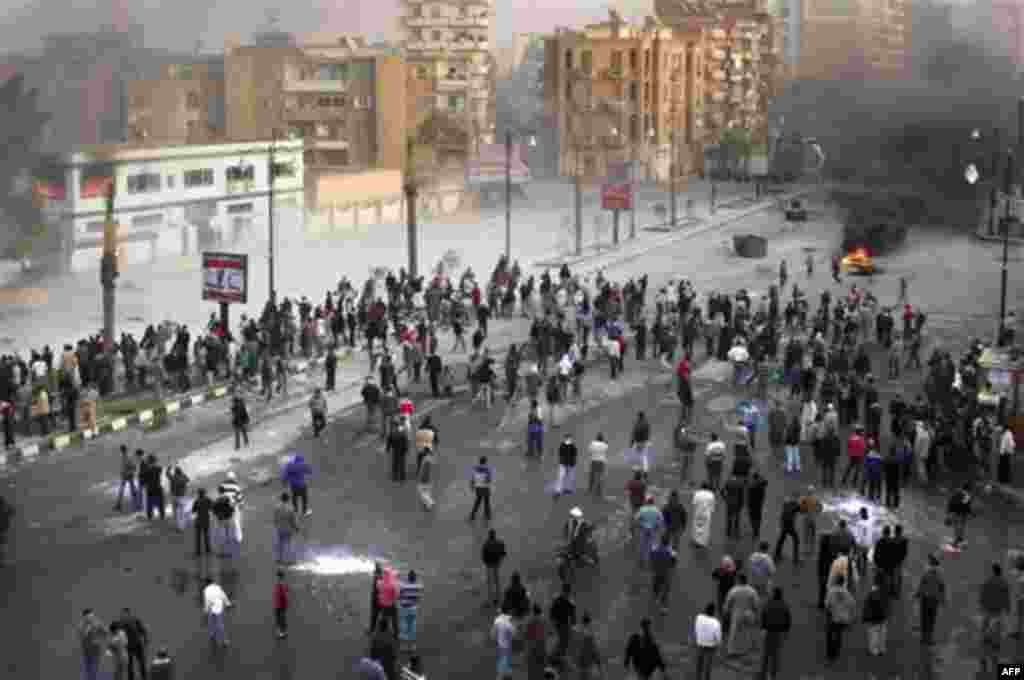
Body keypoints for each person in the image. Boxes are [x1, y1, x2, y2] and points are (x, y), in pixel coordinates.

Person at [724, 573, 761, 656]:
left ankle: (732, 650)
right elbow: (756, 604)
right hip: (748, 613)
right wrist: (757, 615)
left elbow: (728, 602)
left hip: (737, 613)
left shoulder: (734, 590)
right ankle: (745, 649)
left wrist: (726, 612)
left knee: (734, 632)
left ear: (739, 580)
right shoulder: (752, 590)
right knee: (746, 632)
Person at [759, 587, 792, 680]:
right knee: (776, 654)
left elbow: (763, 615)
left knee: (766, 654)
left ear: (774, 594)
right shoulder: (784, 605)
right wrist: (786, 631)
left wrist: (762, 627)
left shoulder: (768, 604)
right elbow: (788, 619)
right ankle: (773, 675)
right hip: (779, 632)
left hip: (768, 631)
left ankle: (763, 673)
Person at [915, 554, 947, 645]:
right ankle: (928, 638)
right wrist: (943, 600)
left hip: (925, 599)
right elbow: (942, 589)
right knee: (931, 620)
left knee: (924, 619)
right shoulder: (939, 575)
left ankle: (924, 638)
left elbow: (921, 585)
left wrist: (917, 595)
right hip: (933, 600)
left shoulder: (927, 574)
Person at [824, 575, 856, 663]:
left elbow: (827, 605)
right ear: (843, 582)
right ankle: (837, 650)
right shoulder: (846, 592)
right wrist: (851, 617)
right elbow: (852, 604)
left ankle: (830, 653)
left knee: (830, 635)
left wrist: (828, 613)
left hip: (833, 617)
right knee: (838, 634)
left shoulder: (831, 591)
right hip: (843, 618)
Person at [863, 574, 890, 656]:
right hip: (883, 616)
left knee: (873, 633)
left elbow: (867, 605)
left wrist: (865, 616)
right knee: (882, 633)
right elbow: (887, 604)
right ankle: (882, 649)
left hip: (873, 617)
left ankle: (873, 650)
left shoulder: (872, 592)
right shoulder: (885, 591)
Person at [694, 603, 722, 680]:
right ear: (714, 612)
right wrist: (718, 645)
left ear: (705, 610)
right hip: (710, 646)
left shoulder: (699, 617)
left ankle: (698, 677)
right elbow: (718, 637)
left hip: (700, 643)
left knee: (699, 663)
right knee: (707, 665)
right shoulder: (716, 622)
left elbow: (696, 630)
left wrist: (698, 638)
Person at [650, 534, 678, 613]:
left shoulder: (655, 548)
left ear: (661, 541)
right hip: (666, 572)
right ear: (668, 542)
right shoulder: (671, 552)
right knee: (666, 589)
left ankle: (655, 597)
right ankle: (663, 606)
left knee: (656, 584)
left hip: (656, 570)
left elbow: (651, 557)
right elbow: (673, 563)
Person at [549, 583, 577, 660]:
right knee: (563, 642)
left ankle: (556, 657)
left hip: (559, 624)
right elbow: (573, 618)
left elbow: (551, 613)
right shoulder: (570, 602)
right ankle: (557, 657)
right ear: (569, 592)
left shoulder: (557, 599)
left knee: (561, 642)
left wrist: (552, 622)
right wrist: (573, 626)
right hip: (563, 625)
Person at [634, 496, 665, 566]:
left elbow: (636, 519)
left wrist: (640, 525)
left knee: (642, 544)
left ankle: (642, 559)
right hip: (652, 529)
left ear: (646, 501)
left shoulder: (642, 509)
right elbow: (661, 519)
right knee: (652, 544)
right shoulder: (656, 510)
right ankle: (651, 559)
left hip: (644, 529)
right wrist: (657, 526)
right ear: (653, 502)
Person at [203, 577, 232, 647]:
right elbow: (223, 595)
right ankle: (224, 640)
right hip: (219, 607)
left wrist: (206, 610)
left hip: (212, 608)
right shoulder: (217, 587)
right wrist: (228, 603)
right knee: (220, 624)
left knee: (212, 622)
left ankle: (213, 635)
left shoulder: (206, 590)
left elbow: (207, 601)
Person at [481, 528, 507, 607]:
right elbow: (504, 553)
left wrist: (486, 562)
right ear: (494, 535)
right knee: (497, 581)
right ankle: (499, 598)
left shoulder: (486, 544)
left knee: (490, 582)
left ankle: (490, 600)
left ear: (489, 536)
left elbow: (483, 555)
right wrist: (500, 560)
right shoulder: (499, 543)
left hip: (489, 564)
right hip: (497, 563)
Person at [574, 612, 603, 680]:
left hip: (578, 664)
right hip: (586, 664)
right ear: (589, 621)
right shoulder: (590, 634)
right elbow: (594, 651)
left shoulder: (576, 631)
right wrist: (599, 665)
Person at [398, 570, 423, 650]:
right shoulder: (419, 586)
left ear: (408, 578)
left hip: (404, 608)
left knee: (403, 627)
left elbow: (399, 595)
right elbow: (419, 598)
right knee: (412, 627)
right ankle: (412, 646)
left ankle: (403, 646)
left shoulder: (403, 586)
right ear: (415, 578)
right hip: (413, 608)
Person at [493, 606, 517, 680]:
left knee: (501, 663)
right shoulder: (508, 622)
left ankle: (502, 676)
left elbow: (493, 634)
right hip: (507, 646)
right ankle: (505, 676)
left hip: (499, 646)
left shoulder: (497, 620)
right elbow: (514, 633)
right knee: (505, 664)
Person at [692, 483, 717, 548]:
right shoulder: (711, 495)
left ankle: (697, 541)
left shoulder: (697, 493)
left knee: (697, 527)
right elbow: (712, 507)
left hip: (698, 512)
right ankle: (703, 542)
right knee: (705, 528)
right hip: (706, 513)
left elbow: (694, 503)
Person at [469, 456, 494, 522]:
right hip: (485, 488)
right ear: (485, 462)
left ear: (480, 461)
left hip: (478, 488)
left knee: (477, 501)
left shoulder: (475, 468)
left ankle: (472, 515)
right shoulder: (487, 469)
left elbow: (472, 479)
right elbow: (488, 480)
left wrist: (472, 486)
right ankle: (487, 515)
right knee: (486, 502)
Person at [191, 487, 213, 558]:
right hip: (206, 519)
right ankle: (208, 550)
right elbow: (212, 507)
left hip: (198, 520)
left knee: (198, 537)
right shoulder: (208, 500)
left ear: (198, 494)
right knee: (206, 535)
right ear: (204, 493)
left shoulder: (196, 501)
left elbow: (193, 511)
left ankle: (198, 551)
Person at [418, 446, 436, 511]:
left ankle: (430, 502)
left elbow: (425, 471)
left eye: (423, 450)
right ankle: (428, 505)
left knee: (421, 491)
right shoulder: (431, 458)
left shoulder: (427, 460)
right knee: (427, 492)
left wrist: (421, 477)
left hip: (425, 479)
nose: (422, 451)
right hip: (430, 479)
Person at [273, 569, 289, 639]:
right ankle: (281, 631)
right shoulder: (279, 585)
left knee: (280, 619)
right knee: (279, 618)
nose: (277, 578)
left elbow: (284, 595)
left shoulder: (281, 585)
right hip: (278, 604)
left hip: (280, 605)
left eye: (278, 577)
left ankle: (282, 632)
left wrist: (285, 604)